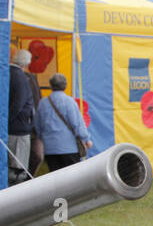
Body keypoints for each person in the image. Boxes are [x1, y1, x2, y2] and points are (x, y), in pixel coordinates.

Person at [35, 72, 92, 171]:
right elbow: (77, 124)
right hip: (69, 148)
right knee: (72, 178)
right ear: (65, 85)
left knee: (55, 179)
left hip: (50, 148)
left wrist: (44, 138)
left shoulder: (42, 103)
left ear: (51, 85)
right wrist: (86, 139)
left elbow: (38, 126)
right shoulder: (69, 101)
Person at [7, 49, 36, 185]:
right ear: (27, 63)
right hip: (18, 129)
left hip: (13, 126)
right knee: (18, 169)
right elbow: (18, 104)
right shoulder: (19, 77)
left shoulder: (9, 73)